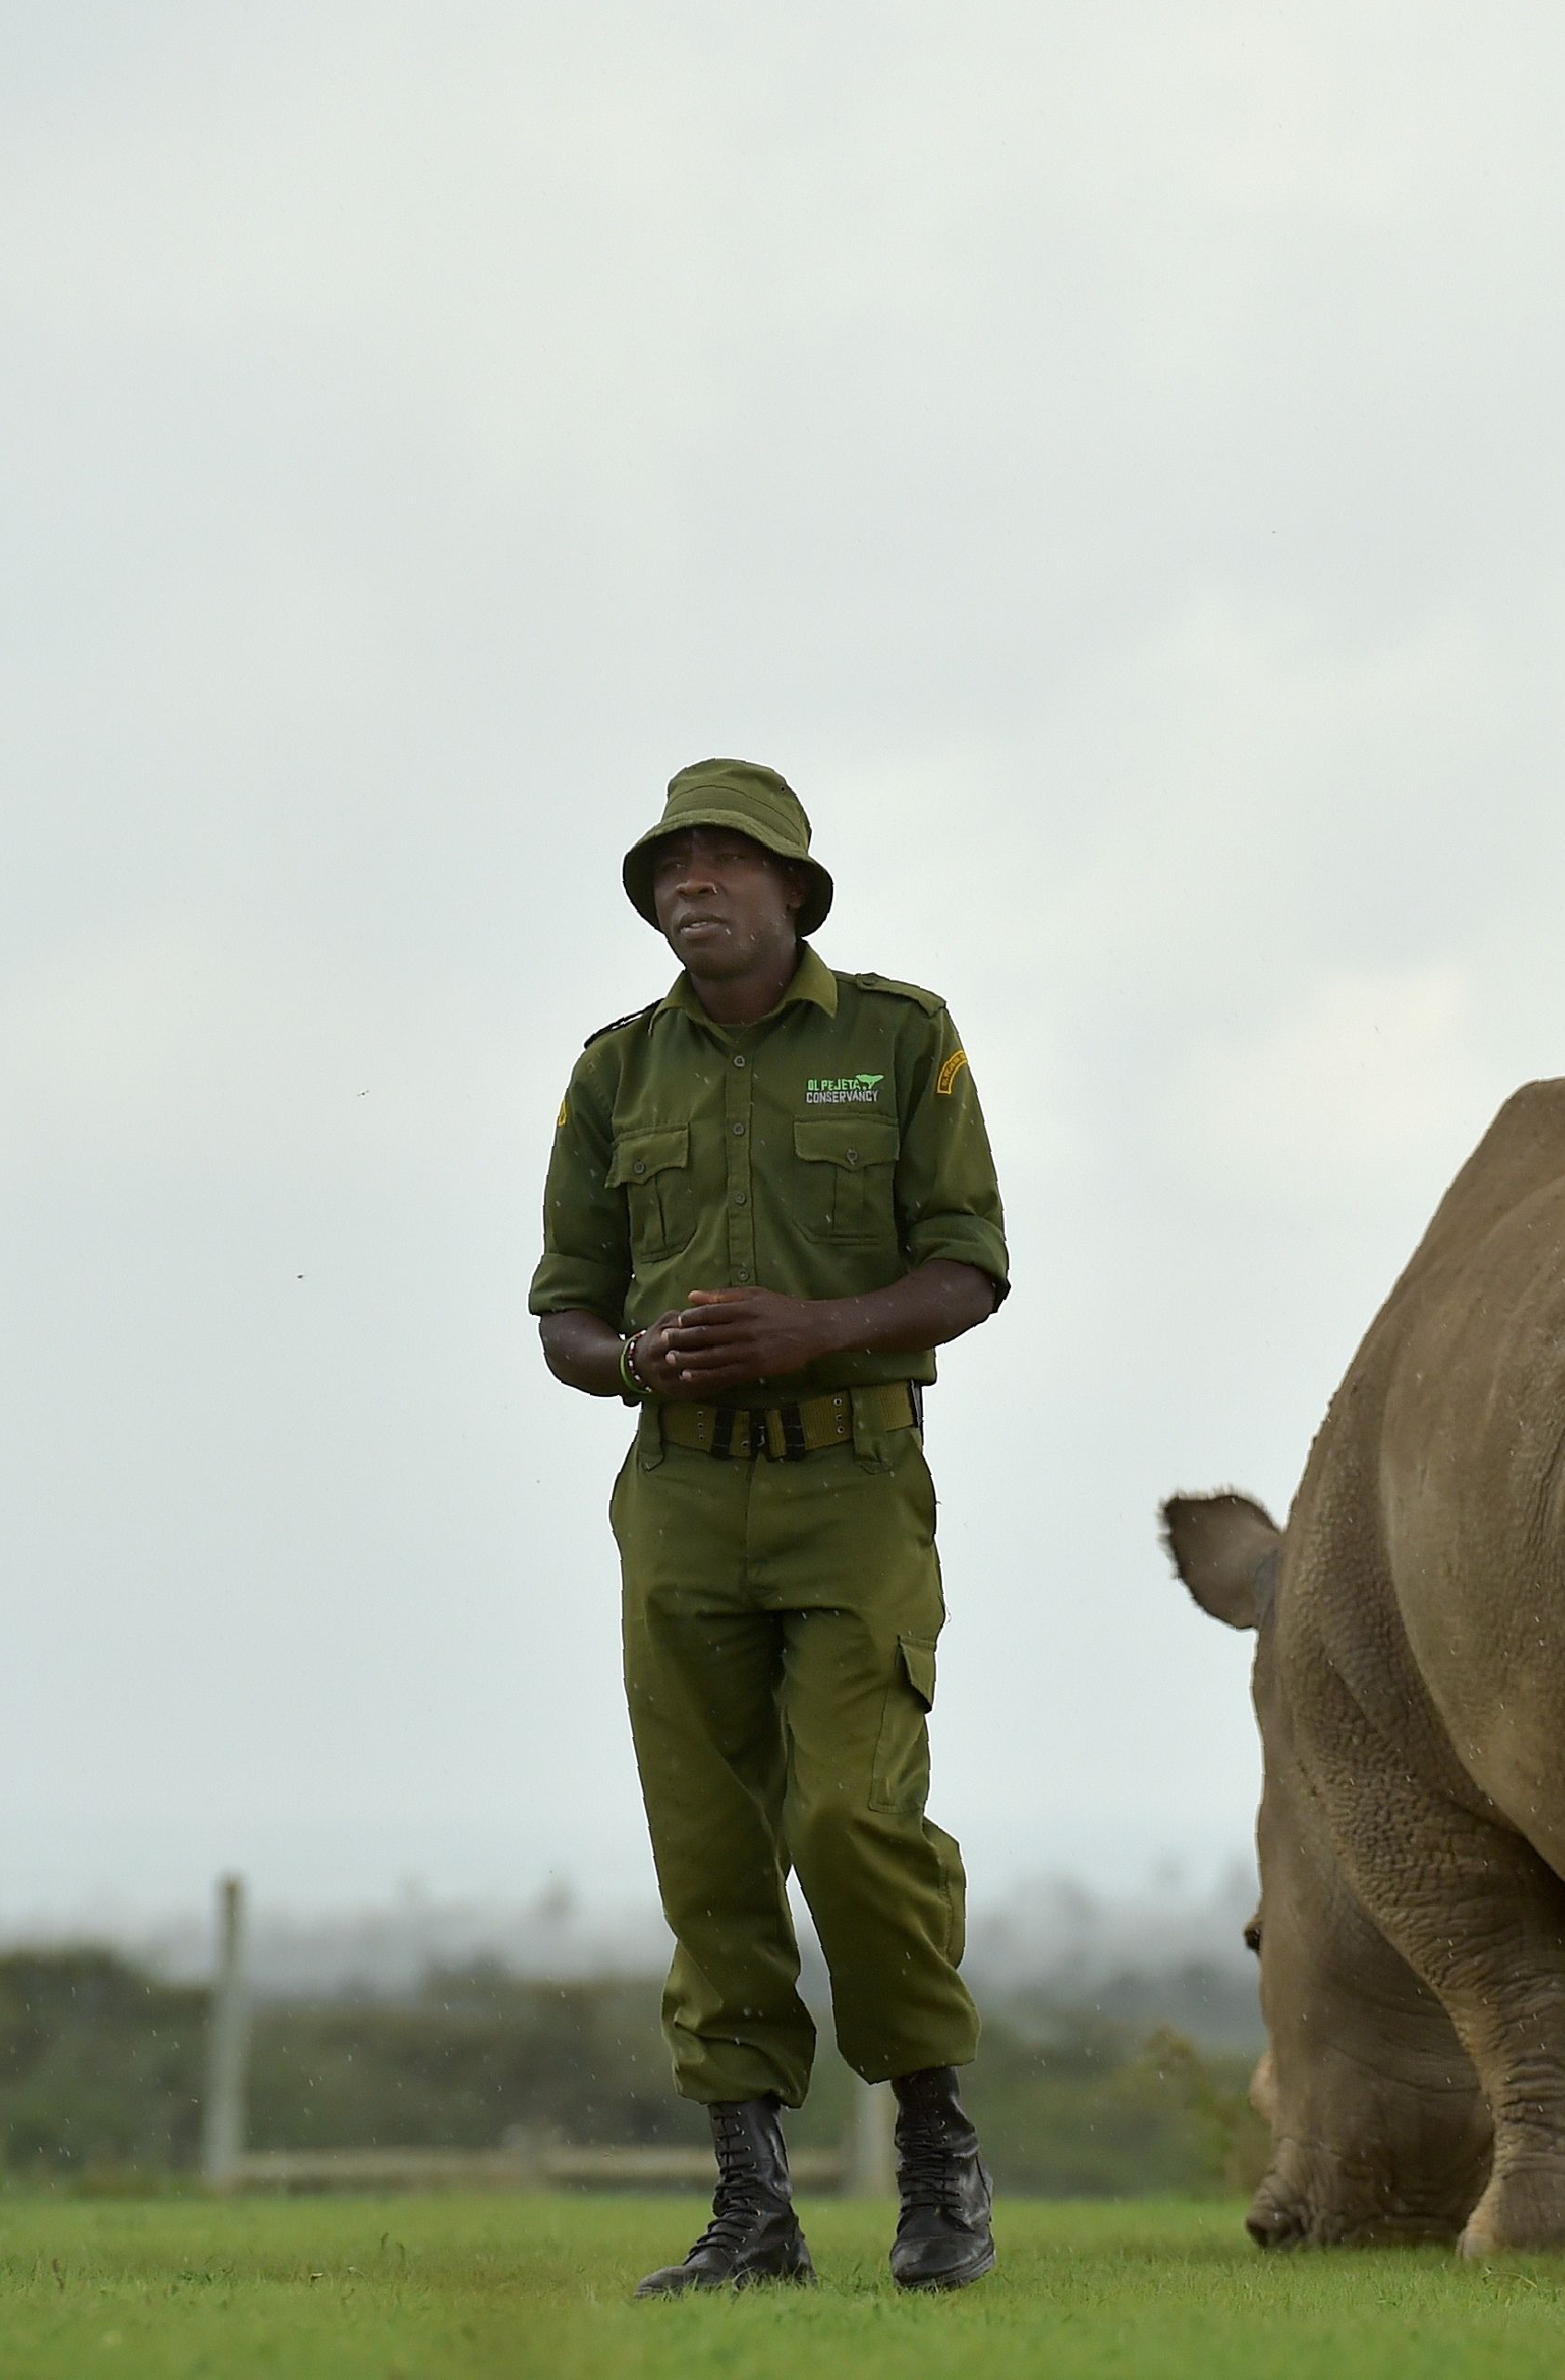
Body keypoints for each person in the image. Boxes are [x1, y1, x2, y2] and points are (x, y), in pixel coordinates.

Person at [529, 758, 1008, 2294]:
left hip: (852, 1486)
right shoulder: (616, 1073)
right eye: (671, 867)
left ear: (795, 891)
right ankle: (753, 2213)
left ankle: (935, 2150)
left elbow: (971, 1268)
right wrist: (629, 1362)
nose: (692, 886)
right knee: (710, 1852)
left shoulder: (899, 1038)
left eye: (727, 862)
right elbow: (563, 1316)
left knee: (850, 1822)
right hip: (675, 1499)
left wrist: (817, 1329)